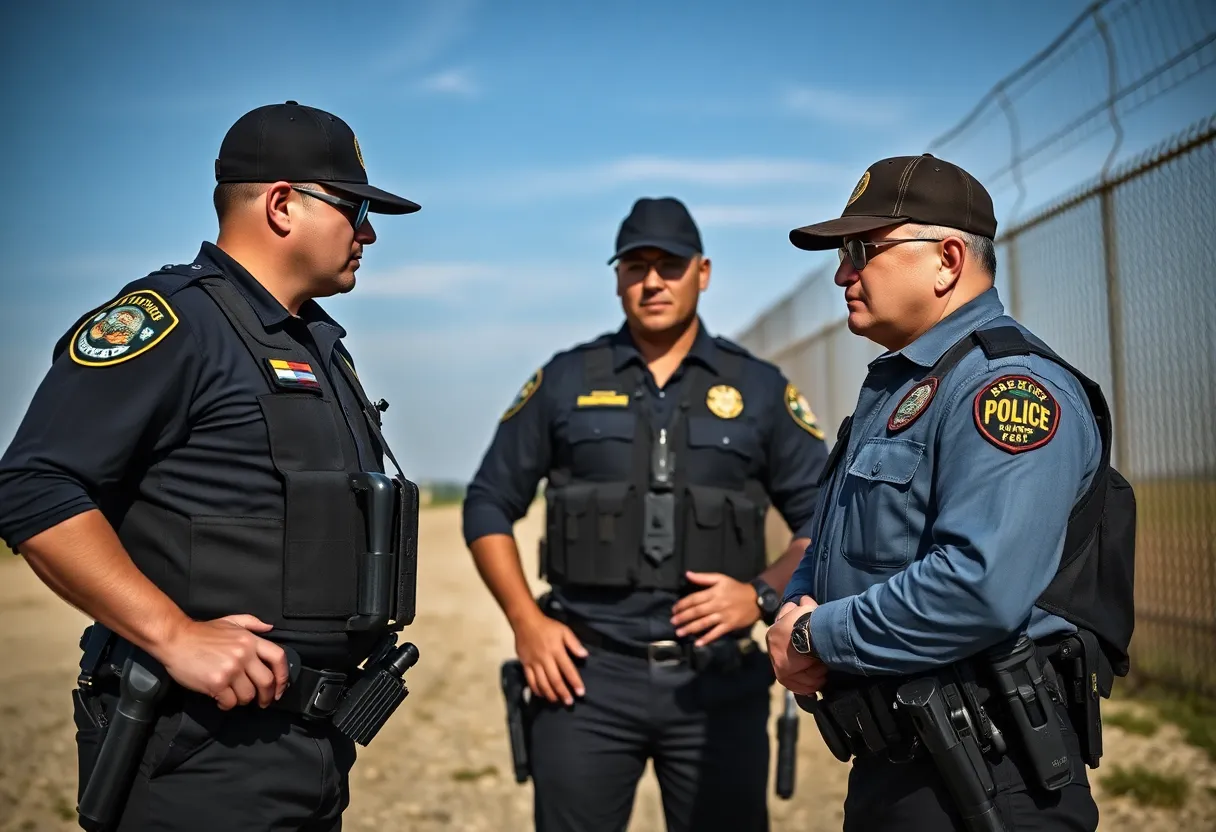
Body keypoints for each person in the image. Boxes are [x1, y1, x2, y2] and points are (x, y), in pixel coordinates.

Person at [0, 101, 424, 831]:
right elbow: (34, 485)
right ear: (283, 204)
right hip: (198, 750)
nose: (369, 231)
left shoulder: (317, 347)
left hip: (309, 748)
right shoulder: (174, 323)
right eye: (353, 207)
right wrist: (174, 635)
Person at [766, 154, 1136, 831]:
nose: (842, 272)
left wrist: (816, 635)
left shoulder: (1008, 390)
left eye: (862, 250)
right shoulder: (898, 390)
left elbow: (977, 588)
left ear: (946, 258)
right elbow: (835, 547)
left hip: (992, 779)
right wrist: (795, 617)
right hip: (896, 769)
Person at [463, 196, 830, 832]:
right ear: (616, 278)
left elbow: (823, 517)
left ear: (704, 272)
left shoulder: (760, 389)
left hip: (717, 682)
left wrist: (762, 595)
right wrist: (526, 624)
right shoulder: (565, 379)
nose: (652, 281)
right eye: (635, 266)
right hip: (584, 679)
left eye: (671, 264)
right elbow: (487, 502)